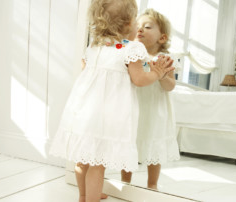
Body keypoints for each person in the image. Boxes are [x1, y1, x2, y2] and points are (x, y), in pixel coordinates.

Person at [49, 1, 174, 201]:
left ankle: (83, 195)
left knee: (82, 160)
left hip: (82, 111)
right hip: (107, 116)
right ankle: (92, 198)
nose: (138, 28)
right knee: (98, 165)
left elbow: (85, 70)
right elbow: (140, 79)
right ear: (126, 25)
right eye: (136, 22)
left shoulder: (95, 45)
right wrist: (157, 73)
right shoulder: (131, 48)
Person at [121, 9, 180, 190]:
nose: (140, 30)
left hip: (155, 110)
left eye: (147, 27)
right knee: (130, 143)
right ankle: (125, 182)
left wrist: (162, 74)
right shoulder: (130, 54)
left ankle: (152, 183)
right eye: (137, 26)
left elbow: (170, 86)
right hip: (134, 106)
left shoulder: (165, 59)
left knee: (154, 144)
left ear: (162, 38)